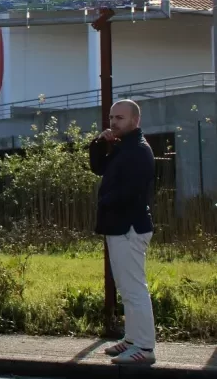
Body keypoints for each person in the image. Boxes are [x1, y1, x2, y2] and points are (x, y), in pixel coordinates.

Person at [90, 99, 157, 366]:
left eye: (119, 117)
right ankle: (132, 340)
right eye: (111, 117)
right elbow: (98, 168)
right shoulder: (123, 147)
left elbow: (132, 191)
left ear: (135, 121)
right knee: (126, 288)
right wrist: (98, 142)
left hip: (130, 227)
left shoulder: (139, 150)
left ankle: (144, 347)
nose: (113, 122)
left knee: (134, 289)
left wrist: (105, 201)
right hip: (119, 226)